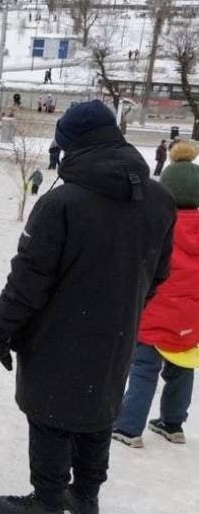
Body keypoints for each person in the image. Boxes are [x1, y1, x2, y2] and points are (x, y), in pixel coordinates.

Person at [0, 101, 176, 514]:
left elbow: (27, 280)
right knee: (97, 415)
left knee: (50, 417)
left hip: (55, 339)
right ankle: (86, 497)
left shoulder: (61, 204)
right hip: (117, 337)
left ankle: (49, 501)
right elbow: (159, 274)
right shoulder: (159, 200)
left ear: (72, 147)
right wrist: (121, 310)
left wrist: (3, 327)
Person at [113, 140, 199, 448]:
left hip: (154, 313)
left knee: (144, 368)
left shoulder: (159, 224)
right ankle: (173, 424)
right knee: (182, 366)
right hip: (190, 318)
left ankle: (128, 426)